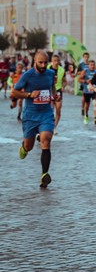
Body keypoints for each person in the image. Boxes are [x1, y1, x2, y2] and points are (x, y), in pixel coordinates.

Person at [11, 51, 60, 188]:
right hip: (30, 116)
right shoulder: (27, 75)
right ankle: (24, 147)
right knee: (29, 146)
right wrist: (29, 94)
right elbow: (14, 92)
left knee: (46, 139)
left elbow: (52, 87)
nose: (43, 65)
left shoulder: (50, 74)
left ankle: (44, 174)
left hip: (46, 114)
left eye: (45, 62)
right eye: (40, 62)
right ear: (34, 61)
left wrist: (54, 96)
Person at [47, 55, 66, 134]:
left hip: (58, 90)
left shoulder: (61, 70)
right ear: (52, 61)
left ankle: (54, 127)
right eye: (54, 60)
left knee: (58, 110)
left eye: (58, 60)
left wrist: (63, 86)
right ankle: (51, 127)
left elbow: (64, 81)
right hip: (49, 90)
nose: (56, 62)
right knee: (50, 110)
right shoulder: (47, 68)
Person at [78, 59, 96, 125]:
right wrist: (85, 81)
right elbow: (79, 79)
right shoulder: (85, 71)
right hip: (87, 91)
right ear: (88, 65)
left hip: (94, 91)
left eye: (93, 65)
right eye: (91, 65)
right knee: (87, 105)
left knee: (95, 103)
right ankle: (86, 115)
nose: (92, 66)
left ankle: (95, 118)